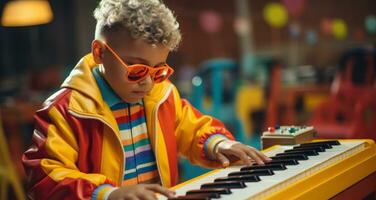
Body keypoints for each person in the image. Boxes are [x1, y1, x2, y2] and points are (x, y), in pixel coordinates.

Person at [22, 0, 271, 199]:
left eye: (158, 70)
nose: (148, 82)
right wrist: (108, 194)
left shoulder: (161, 94)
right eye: (136, 69)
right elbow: (45, 177)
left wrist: (217, 145)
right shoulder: (66, 111)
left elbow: (191, 128)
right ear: (99, 53)